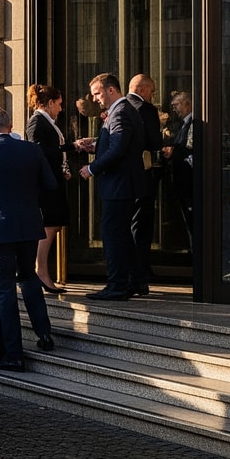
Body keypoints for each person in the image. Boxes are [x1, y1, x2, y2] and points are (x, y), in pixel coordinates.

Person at [0, 108, 57, 372]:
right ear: (11, 125)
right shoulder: (32, 150)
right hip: (28, 224)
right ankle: (44, 335)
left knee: (3, 290)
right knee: (28, 278)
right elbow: (50, 184)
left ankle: (13, 353)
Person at [79, 72, 147, 300]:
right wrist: (97, 144)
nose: (95, 99)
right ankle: (136, 281)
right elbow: (119, 144)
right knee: (123, 235)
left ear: (111, 90)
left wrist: (92, 168)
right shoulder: (123, 110)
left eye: (97, 93)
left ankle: (117, 285)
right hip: (123, 185)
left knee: (113, 235)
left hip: (119, 185)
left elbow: (118, 150)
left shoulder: (120, 112)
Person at [26, 84, 86, 294]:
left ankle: (41, 270)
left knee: (53, 226)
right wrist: (71, 147)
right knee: (48, 228)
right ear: (50, 103)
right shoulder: (37, 121)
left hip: (53, 180)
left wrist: (73, 147)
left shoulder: (47, 121)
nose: (61, 109)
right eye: (59, 104)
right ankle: (41, 271)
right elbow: (40, 152)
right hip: (45, 184)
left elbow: (53, 149)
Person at [126, 74, 163, 295]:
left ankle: (135, 272)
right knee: (141, 224)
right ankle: (139, 273)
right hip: (142, 173)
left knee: (129, 224)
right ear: (144, 90)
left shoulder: (120, 107)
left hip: (123, 177)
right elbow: (154, 142)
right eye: (153, 91)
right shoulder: (146, 110)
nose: (153, 95)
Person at [165, 90, 198, 254]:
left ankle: (197, 253)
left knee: (193, 220)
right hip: (182, 182)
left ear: (188, 103)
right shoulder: (184, 123)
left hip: (189, 181)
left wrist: (173, 151)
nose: (174, 109)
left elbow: (190, 150)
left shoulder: (194, 123)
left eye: (176, 105)